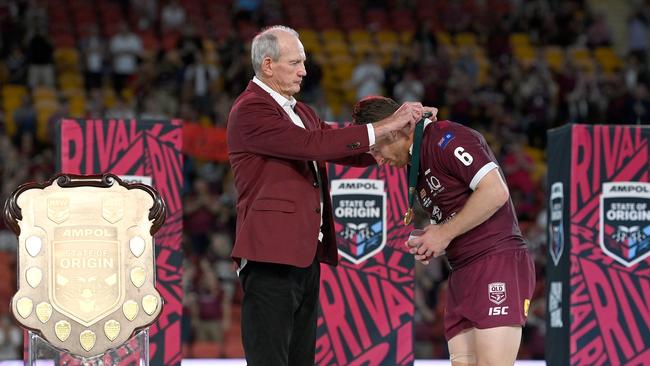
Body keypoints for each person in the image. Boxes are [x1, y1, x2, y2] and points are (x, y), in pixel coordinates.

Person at [227, 26, 435, 366]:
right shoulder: (250, 110)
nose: (304, 71)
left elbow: (339, 147)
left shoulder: (302, 112)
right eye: (295, 62)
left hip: (304, 256)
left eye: (303, 62)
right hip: (269, 256)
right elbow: (311, 145)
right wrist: (386, 124)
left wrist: (403, 144)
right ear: (268, 65)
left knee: (300, 360)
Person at [351, 96, 535, 366]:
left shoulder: (446, 138)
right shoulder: (418, 160)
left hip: (496, 261)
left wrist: (444, 234)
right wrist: (431, 235)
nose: (378, 160)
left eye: (377, 149)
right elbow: (455, 210)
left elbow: (496, 191)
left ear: (399, 129)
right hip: (462, 270)